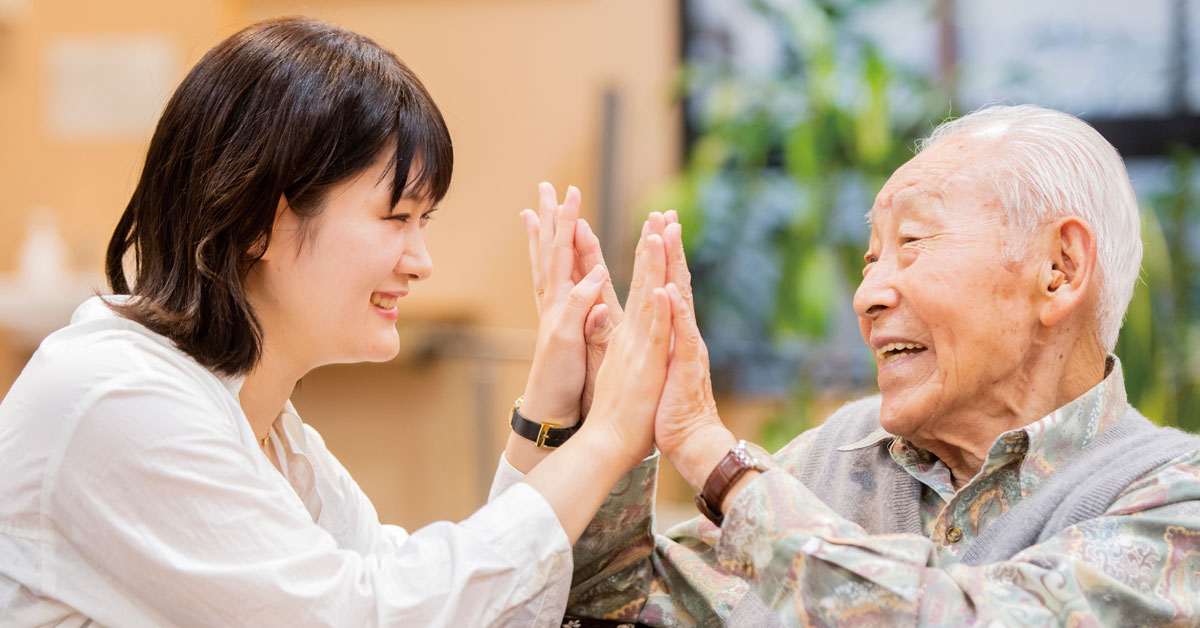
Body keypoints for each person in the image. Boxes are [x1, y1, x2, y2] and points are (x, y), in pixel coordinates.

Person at [0, 17, 683, 628]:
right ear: (258, 219)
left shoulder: (268, 429)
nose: (421, 263)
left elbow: (419, 593)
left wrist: (550, 406)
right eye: (396, 219)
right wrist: (611, 437)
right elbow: (363, 617)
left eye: (425, 222)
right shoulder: (116, 401)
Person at [525, 105, 1200, 627]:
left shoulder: (1173, 497)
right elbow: (618, 608)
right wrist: (594, 424)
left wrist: (711, 451)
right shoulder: (835, 454)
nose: (866, 295)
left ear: (1060, 270)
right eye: (872, 256)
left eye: (912, 241)